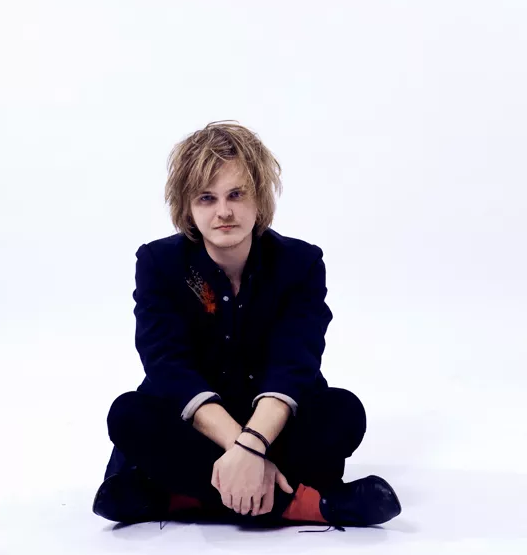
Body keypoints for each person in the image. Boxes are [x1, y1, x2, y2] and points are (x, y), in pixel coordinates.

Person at [92, 120, 401, 530]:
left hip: (274, 423)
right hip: (199, 426)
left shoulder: (301, 263)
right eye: (207, 198)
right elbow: (167, 365)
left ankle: (178, 496)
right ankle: (306, 504)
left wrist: (253, 445)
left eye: (236, 194)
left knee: (343, 413)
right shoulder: (158, 263)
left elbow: (295, 362)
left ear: (259, 199)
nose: (224, 211)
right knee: (129, 416)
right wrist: (242, 450)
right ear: (188, 207)